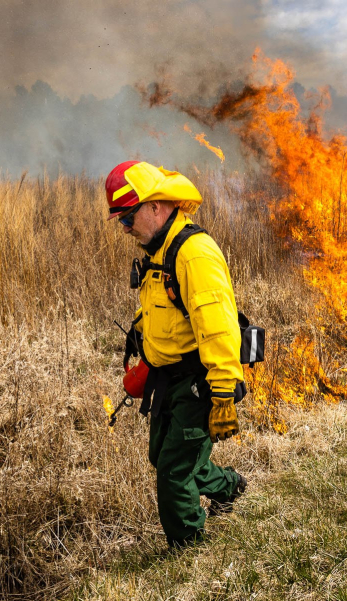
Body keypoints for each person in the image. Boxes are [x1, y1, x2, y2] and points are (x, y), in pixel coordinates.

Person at [105, 160, 247, 550]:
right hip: (167, 377)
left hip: (199, 381)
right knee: (162, 455)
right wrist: (141, 338)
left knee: (172, 470)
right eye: (120, 221)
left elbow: (218, 326)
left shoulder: (192, 253)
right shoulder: (158, 249)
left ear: (155, 206)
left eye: (128, 218)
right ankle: (229, 487)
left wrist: (222, 391)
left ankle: (187, 547)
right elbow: (162, 307)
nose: (125, 228)